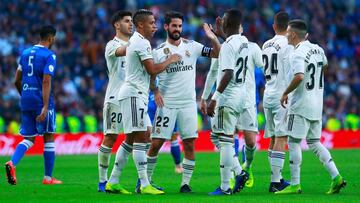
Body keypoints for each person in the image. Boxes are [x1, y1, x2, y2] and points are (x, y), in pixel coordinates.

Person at [146, 11, 221, 193]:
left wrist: (212, 38)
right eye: (174, 26)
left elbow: (217, 54)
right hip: (167, 104)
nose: (177, 29)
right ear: (166, 27)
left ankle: (185, 183)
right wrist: (155, 90)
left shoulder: (192, 46)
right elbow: (151, 74)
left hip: (188, 104)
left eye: (180, 26)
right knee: (156, 143)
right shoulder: (158, 52)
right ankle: (145, 181)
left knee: (189, 143)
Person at [114, 9, 181, 195]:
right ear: (141, 25)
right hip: (133, 94)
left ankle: (113, 181)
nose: (155, 26)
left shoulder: (140, 41)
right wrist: (171, 59)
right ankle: (144, 184)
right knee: (142, 137)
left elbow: (148, 73)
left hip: (137, 95)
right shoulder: (140, 42)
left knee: (132, 139)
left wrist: (154, 90)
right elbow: (152, 69)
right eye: (152, 23)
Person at [276, 19, 346, 195]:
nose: (285, 36)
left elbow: (299, 76)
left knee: (293, 142)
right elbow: (325, 65)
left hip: (300, 105)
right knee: (314, 142)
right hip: (316, 104)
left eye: (287, 33)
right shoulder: (318, 49)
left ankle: (294, 184)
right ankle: (336, 177)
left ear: (292, 34)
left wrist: (285, 92)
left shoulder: (296, 53)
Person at [206, 8, 263, 195]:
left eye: (223, 20)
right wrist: (219, 35)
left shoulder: (228, 46)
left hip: (228, 96)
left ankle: (225, 186)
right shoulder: (245, 42)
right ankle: (239, 172)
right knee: (219, 137)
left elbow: (228, 73)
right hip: (241, 95)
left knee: (224, 139)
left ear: (227, 23)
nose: (221, 21)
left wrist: (214, 98)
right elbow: (231, 40)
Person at [5, 25, 62, 185]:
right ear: (51, 38)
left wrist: (24, 95)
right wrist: (44, 106)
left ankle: (12, 163)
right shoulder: (49, 55)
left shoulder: (24, 53)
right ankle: (48, 178)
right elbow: (46, 80)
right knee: (49, 135)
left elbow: (16, 79)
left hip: (26, 99)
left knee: (29, 138)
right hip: (41, 100)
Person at [97, 10, 132, 193]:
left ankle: (120, 179)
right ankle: (103, 182)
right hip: (115, 98)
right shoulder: (112, 44)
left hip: (132, 98)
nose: (131, 24)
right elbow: (122, 51)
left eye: (132, 21)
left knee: (138, 135)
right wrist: (139, 42)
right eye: (127, 21)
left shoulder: (135, 44)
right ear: (117, 25)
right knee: (111, 137)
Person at [261, 11, 293, 192]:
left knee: (273, 137)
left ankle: (277, 177)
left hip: (268, 94)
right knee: (281, 137)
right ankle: (275, 182)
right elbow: (291, 69)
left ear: (274, 26)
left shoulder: (266, 44)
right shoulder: (288, 44)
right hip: (282, 95)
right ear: (288, 27)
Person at [148, 89, 183, 174]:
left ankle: (145, 169)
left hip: (157, 99)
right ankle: (178, 166)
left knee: (151, 138)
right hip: (163, 99)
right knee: (172, 137)